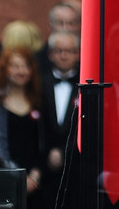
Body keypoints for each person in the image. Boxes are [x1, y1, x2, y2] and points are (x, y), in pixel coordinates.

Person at [0, 47, 46, 208]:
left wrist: (34, 178)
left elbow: (42, 145)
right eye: (15, 66)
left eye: (26, 66)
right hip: (1, 176)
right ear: (5, 69)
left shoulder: (39, 103)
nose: (21, 71)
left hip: (33, 181)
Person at [39, 30, 80, 209]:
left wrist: (64, 152)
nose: (64, 56)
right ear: (50, 54)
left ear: (78, 53)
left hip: (76, 170)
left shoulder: (87, 86)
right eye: (59, 51)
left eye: (69, 51)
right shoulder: (40, 84)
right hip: (44, 171)